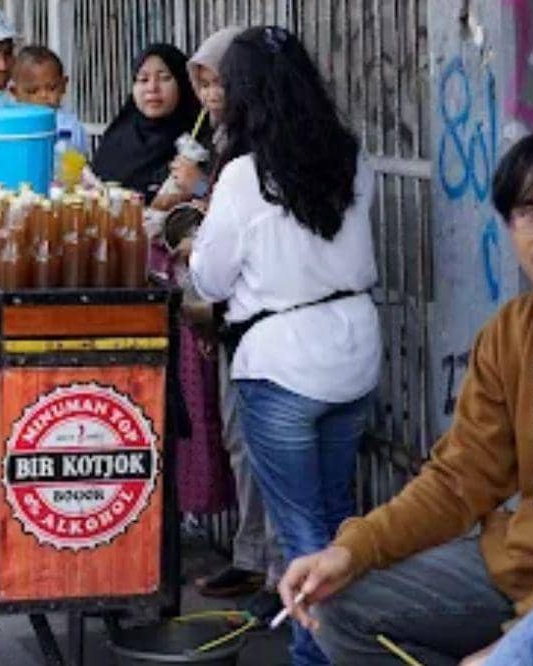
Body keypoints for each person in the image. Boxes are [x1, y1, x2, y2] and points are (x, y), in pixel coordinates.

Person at [277, 130, 533, 665]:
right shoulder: (513, 332)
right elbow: (459, 479)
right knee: (336, 607)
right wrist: (349, 551)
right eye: (529, 213)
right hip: (518, 563)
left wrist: (519, 642)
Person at [189, 26, 381, 665]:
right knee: (334, 518)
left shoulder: (245, 176)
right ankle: (348, 646)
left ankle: (315, 657)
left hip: (282, 364)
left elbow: (209, 279)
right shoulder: (353, 158)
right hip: (355, 354)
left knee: (304, 538)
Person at [178, 27, 286, 620]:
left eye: (220, 80)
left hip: (260, 330)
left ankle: (278, 575)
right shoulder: (231, 146)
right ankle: (262, 561)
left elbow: (218, 270)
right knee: (252, 450)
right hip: (291, 333)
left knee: (264, 455)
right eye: (204, 82)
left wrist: (199, 228)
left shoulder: (247, 163)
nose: (211, 93)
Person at [90, 43, 208, 204]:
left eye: (164, 78)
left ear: (183, 83)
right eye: (143, 79)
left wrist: (199, 186)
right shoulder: (118, 136)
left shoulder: (202, 136)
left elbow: (217, 198)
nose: (152, 88)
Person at [10, 45, 88, 154]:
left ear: (63, 86)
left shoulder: (71, 126)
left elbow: (81, 163)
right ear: (15, 93)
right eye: (32, 91)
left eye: (51, 88)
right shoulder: (11, 125)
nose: (43, 95)